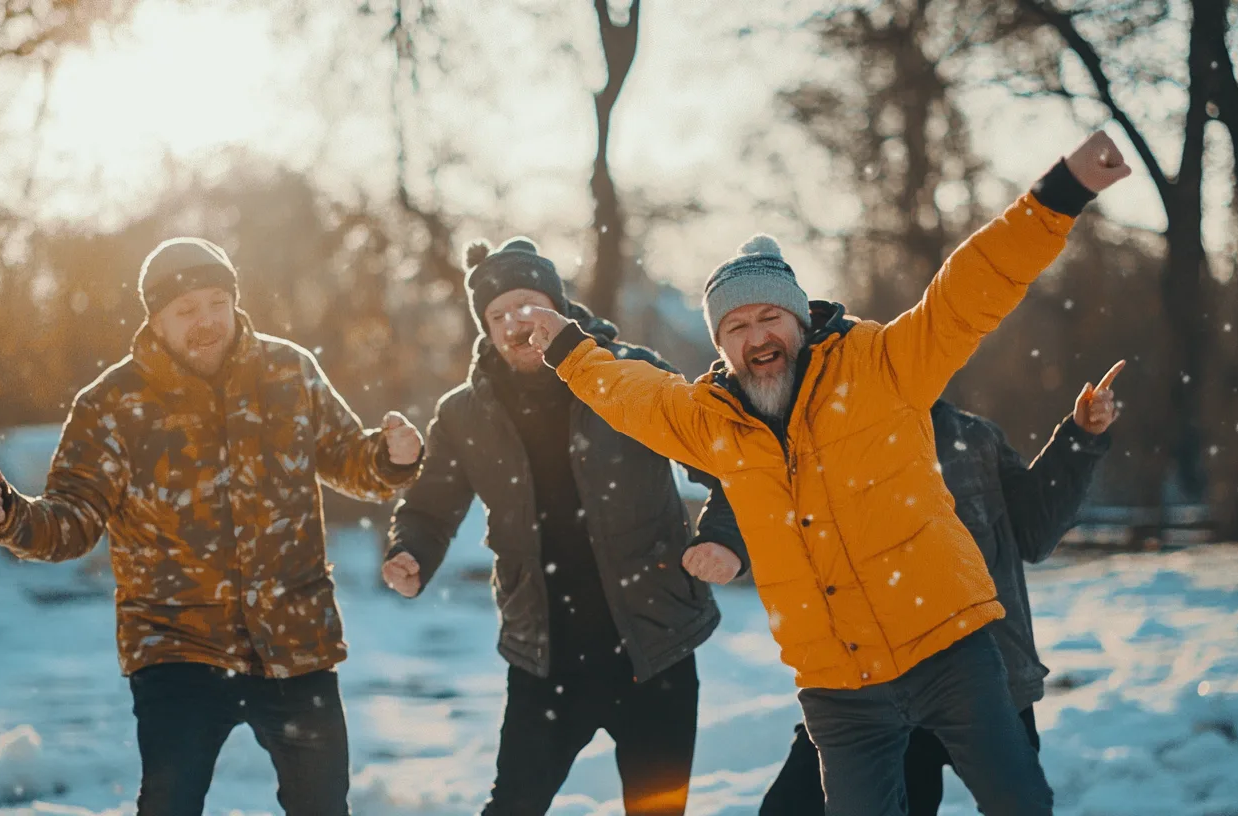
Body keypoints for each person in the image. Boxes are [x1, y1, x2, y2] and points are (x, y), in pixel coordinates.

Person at [520, 131, 1132, 815]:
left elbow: (973, 287)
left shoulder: (881, 367)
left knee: (1020, 805)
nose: (756, 337)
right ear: (722, 346)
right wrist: (569, 347)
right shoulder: (710, 421)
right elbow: (631, 395)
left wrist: (1061, 194)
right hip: (841, 691)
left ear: (799, 319)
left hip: (951, 654)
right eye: (736, 327)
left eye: (768, 316)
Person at [0, 237, 424, 816]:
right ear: (155, 319)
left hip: (294, 635)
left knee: (323, 806)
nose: (206, 321)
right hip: (175, 643)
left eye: (216, 302)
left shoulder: (290, 373)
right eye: (185, 310)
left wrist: (392, 457)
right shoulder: (112, 404)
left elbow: (346, 458)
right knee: (169, 803)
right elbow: (74, 519)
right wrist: (13, 518)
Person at [381, 237, 746, 815]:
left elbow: (729, 464)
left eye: (527, 305)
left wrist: (723, 539)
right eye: (497, 315)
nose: (513, 324)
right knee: (512, 806)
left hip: (654, 649)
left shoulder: (630, 374)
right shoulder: (463, 413)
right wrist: (412, 553)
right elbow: (430, 507)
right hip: (545, 659)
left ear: (559, 306)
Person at [758, 363, 1123, 815]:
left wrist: (1080, 437)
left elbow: (1033, 530)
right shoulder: (821, 451)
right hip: (880, 684)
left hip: (988, 670)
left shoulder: (971, 438)